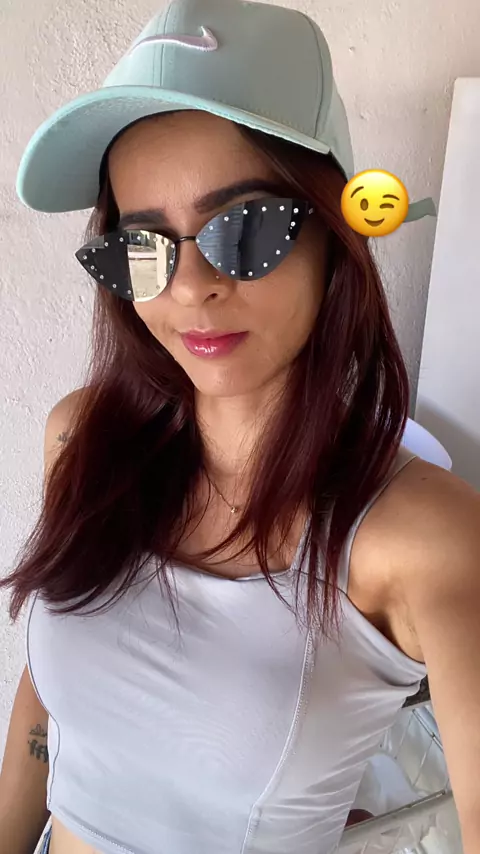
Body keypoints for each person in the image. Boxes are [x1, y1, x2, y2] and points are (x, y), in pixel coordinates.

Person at [1, 1, 479, 853]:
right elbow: (47, 701)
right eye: (142, 245)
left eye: (247, 229)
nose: (190, 287)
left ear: (337, 230)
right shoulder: (82, 439)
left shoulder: (425, 536)